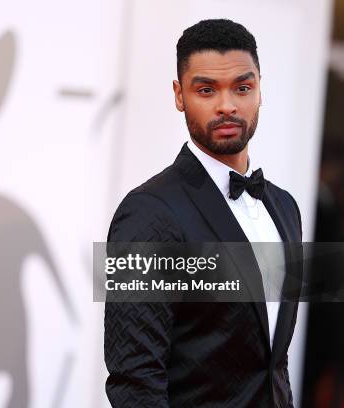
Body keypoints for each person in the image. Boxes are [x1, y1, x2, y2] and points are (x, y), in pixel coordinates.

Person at [104, 19, 303, 407]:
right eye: (207, 89)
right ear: (179, 95)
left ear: (260, 89)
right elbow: (135, 379)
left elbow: (271, 362)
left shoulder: (285, 208)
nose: (227, 105)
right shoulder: (147, 213)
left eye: (242, 88)